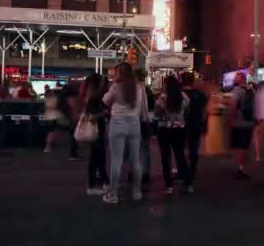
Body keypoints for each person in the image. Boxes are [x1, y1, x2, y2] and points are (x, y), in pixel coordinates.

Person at [102, 63, 148, 204]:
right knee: (135, 160)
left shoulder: (116, 87)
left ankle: (113, 194)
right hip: (134, 123)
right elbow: (143, 108)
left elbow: (105, 101)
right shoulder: (139, 87)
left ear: (119, 74)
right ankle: (137, 192)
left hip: (117, 123)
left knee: (116, 161)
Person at [155, 75, 193, 194]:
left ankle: (169, 185)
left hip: (165, 130)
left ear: (166, 85)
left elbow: (158, 114)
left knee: (165, 158)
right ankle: (188, 184)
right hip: (179, 130)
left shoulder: (162, 98)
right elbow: (187, 113)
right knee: (180, 156)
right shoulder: (184, 97)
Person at [81, 74, 109, 195]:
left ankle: (102, 183)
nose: (104, 84)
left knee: (97, 159)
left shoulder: (91, 97)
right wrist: (105, 113)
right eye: (102, 82)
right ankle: (97, 185)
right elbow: (92, 117)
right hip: (96, 131)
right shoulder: (93, 99)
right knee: (97, 159)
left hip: (97, 132)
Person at [229, 72, 255, 180]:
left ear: (240, 80)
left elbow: (233, 106)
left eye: (236, 78)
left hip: (239, 122)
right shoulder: (251, 90)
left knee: (240, 146)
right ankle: (243, 167)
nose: (234, 79)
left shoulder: (237, 91)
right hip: (249, 122)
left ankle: (240, 168)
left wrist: (230, 119)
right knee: (245, 146)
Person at [182, 72, 208, 180]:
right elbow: (205, 111)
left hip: (181, 125)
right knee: (193, 149)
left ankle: (183, 170)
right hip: (196, 124)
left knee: (180, 149)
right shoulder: (200, 94)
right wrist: (205, 124)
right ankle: (192, 170)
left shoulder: (179, 93)